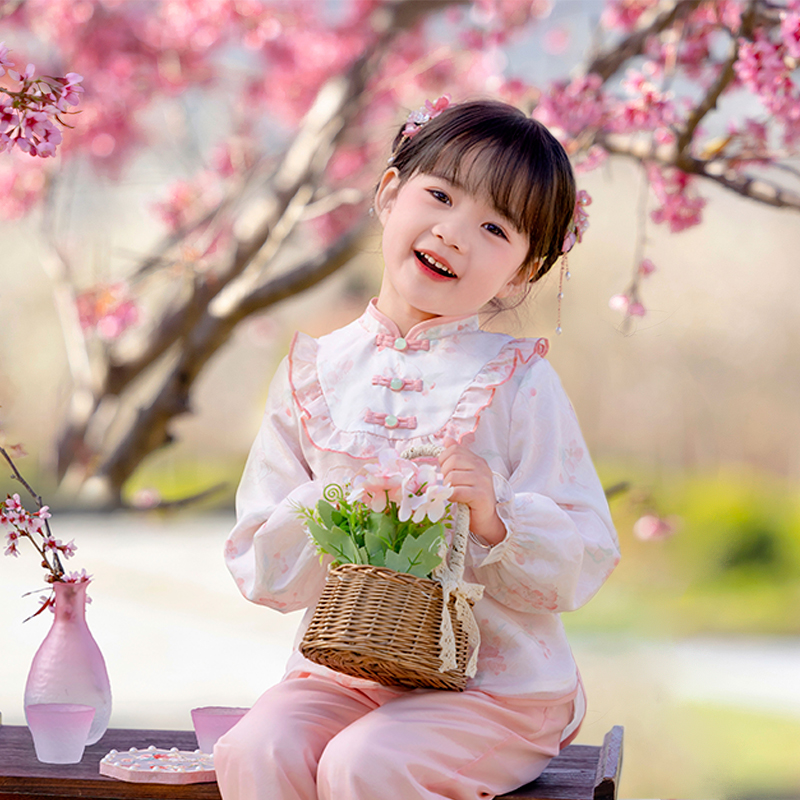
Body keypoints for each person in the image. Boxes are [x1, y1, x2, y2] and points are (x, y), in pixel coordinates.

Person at [214, 98, 620, 800]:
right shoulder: (314, 375)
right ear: (388, 193)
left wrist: (496, 519)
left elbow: (588, 550)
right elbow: (260, 565)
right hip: (344, 674)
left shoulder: (518, 381)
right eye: (438, 194)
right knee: (256, 747)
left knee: (364, 766)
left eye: (496, 228)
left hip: (496, 688)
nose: (453, 233)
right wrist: (330, 508)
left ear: (524, 272)